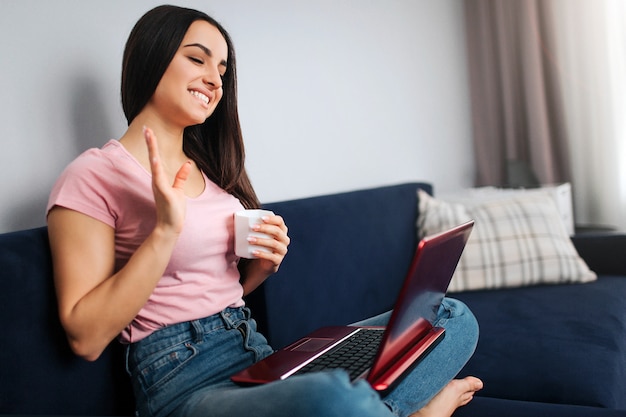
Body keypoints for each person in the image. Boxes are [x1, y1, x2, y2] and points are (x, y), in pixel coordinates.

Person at [46, 5, 482, 417]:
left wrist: (260, 270)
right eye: (198, 60)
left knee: (448, 318)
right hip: (185, 381)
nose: (215, 80)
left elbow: (215, 287)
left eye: (221, 70)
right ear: (151, 57)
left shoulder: (213, 176)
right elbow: (85, 336)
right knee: (331, 397)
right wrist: (165, 232)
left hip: (258, 356)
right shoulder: (94, 174)